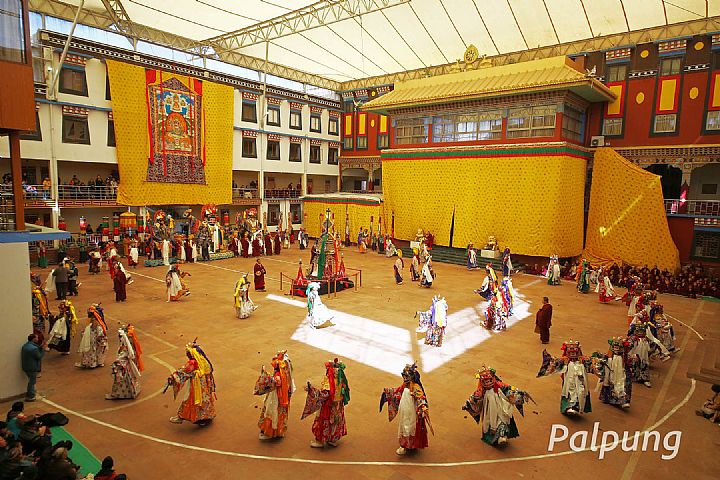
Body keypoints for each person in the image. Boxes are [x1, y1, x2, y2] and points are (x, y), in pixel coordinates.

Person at [462, 366, 533, 446]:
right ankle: (496, 437)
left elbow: (509, 389)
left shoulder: (499, 386)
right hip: (489, 410)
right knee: (490, 421)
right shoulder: (481, 391)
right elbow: (475, 398)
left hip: (501, 407)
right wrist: (467, 405)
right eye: (485, 381)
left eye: (489, 380)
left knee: (502, 419)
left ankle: (502, 436)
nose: (488, 383)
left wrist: (519, 393)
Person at [380, 363, 431, 456]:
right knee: (404, 425)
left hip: (412, 412)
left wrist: (423, 406)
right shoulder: (405, 385)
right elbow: (398, 391)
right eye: (403, 375)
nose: (404, 378)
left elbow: (420, 397)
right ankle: (407, 445)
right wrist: (388, 392)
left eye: (406, 376)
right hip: (405, 411)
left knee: (410, 427)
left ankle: (407, 445)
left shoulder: (415, 387)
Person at [536, 340, 596, 415]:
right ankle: (568, 407)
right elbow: (554, 365)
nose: (573, 353)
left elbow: (592, 364)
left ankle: (578, 407)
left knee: (581, 392)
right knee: (569, 393)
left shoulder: (582, 360)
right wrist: (551, 363)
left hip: (580, 381)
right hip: (569, 382)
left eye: (575, 350)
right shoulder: (564, 360)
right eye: (570, 351)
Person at [301, 358, 350, 448]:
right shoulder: (341, 380)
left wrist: (311, 390)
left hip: (328, 406)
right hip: (338, 406)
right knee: (336, 421)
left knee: (324, 421)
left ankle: (320, 441)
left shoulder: (329, 382)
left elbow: (324, 394)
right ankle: (333, 439)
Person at [167, 342, 216, 426]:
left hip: (196, 386)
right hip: (205, 386)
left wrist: (172, 378)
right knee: (205, 400)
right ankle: (207, 416)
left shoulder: (192, 363)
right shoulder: (203, 361)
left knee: (189, 400)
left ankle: (181, 416)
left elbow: (182, 372)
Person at [256, 351, 295, 440]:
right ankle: (279, 431)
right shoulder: (286, 374)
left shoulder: (279, 375)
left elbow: (274, 383)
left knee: (272, 411)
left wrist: (265, 376)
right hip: (281, 397)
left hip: (276, 397)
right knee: (279, 412)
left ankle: (270, 432)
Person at [594, 337, 633, 409]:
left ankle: (624, 401)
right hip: (612, 371)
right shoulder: (610, 357)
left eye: (618, 347)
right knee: (611, 382)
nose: (616, 349)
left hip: (621, 372)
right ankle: (609, 398)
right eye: (615, 347)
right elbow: (604, 359)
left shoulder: (624, 357)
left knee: (624, 383)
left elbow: (629, 361)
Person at [106, 326, 141, 400]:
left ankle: (117, 394)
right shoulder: (129, 344)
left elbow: (123, 355)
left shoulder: (125, 345)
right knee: (129, 379)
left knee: (119, 379)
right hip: (127, 365)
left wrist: (117, 362)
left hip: (123, 365)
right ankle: (132, 392)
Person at [75, 304, 108, 369]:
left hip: (92, 337)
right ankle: (97, 362)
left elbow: (94, 329)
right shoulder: (97, 320)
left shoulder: (94, 321)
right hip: (94, 337)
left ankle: (92, 363)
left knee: (91, 350)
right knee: (96, 350)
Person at [21, 334, 44, 402]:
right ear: (33, 339)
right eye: (36, 338)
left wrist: (40, 347)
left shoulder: (25, 346)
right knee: (32, 382)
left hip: (26, 366)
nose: (38, 339)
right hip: (32, 367)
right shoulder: (34, 349)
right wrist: (43, 350)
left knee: (31, 381)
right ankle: (30, 395)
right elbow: (39, 356)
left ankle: (32, 393)